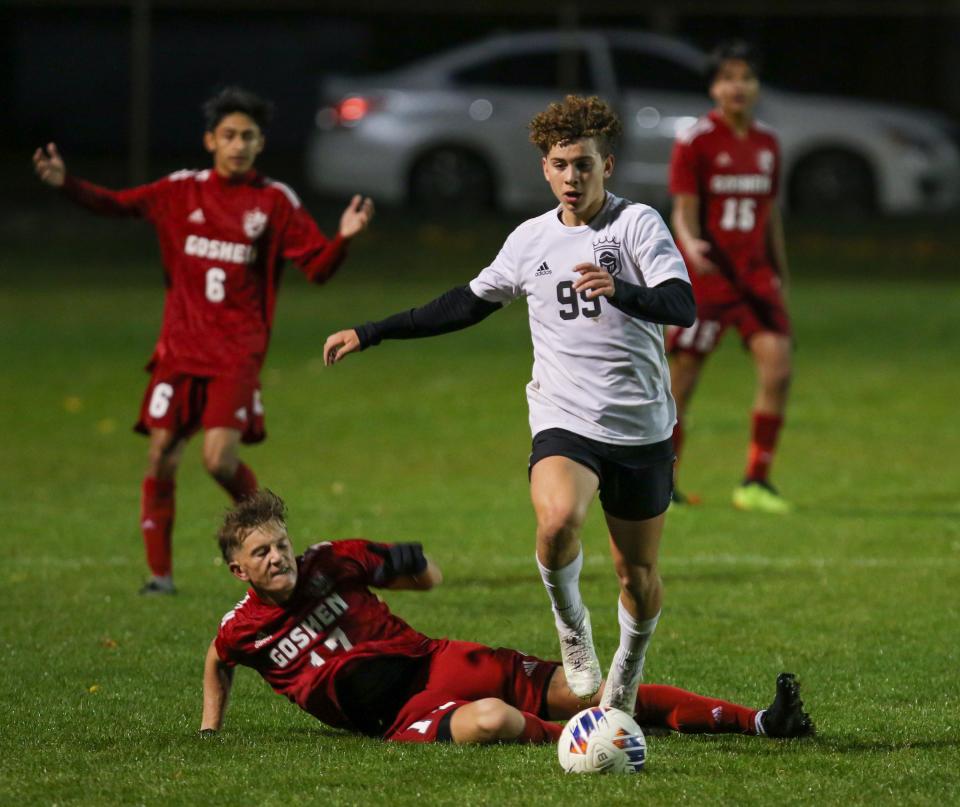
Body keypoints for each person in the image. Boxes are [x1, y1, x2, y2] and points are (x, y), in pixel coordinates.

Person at [322, 95, 695, 713]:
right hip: (564, 419)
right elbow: (465, 303)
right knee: (555, 526)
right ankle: (573, 629)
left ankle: (626, 673)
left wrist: (622, 289)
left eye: (583, 165)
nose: (571, 178)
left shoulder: (637, 226)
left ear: (608, 165)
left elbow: (682, 305)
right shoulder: (531, 239)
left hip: (640, 427)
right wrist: (373, 330)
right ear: (544, 169)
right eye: (559, 165)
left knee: (638, 575)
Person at [32, 87, 375, 594]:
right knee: (161, 456)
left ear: (261, 144)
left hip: (236, 355)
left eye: (249, 137)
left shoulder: (274, 202)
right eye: (230, 135)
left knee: (218, 460)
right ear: (210, 139)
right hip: (179, 351)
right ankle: (160, 578)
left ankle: (272, 548)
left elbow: (317, 270)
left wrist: (343, 238)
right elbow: (117, 205)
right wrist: (67, 185)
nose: (239, 145)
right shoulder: (180, 191)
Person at [200, 489, 814, 745]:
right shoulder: (241, 629)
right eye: (262, 552)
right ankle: (587, 743)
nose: (278, 556)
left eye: (280, 543)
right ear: (239, 571)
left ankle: (761, 721)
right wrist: (210, 727)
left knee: (586, 691)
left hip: (438, 660)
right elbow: (217, 661)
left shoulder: (331, 561)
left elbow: (427, 575)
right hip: (398, 715)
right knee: (493, 720)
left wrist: (409, 568)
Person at [666, 41, 793, 514]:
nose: (737, 86)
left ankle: (756, 482)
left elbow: (770, 214)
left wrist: (780, 272)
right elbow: (683, 211)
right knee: (682, 381)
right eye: (728, 78)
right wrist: (691, 245)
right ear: (714, 87)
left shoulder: (767, 144)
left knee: (778, 369)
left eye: (746, 77)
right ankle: (665, 482)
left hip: (756, 280)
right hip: (710, 281)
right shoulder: (696, 141)